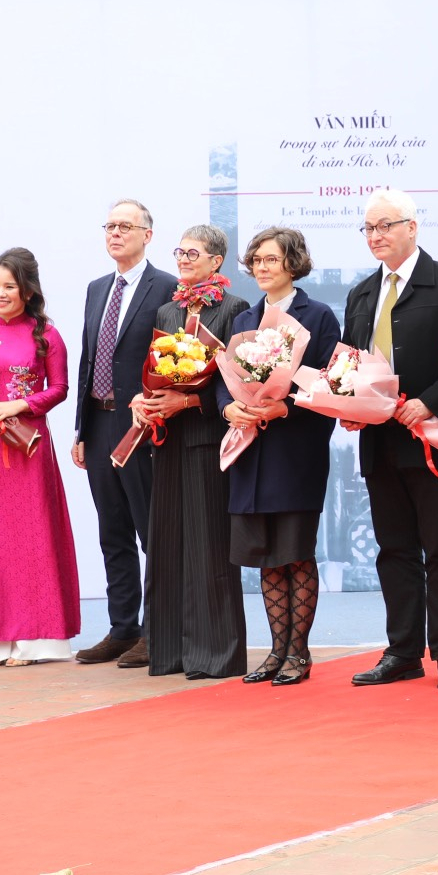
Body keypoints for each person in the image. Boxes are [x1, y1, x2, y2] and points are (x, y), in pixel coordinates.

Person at [341, 189, 438, 688]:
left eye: (386, 226)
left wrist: (435, 400)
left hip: (433, 437)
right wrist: (346, 406)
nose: (376, 236)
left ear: (412, 228)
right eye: (369, 228)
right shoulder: (360, 293)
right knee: (392, 548)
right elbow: (350, 363)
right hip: (380, 440)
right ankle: (402, 651)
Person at [0, 247, 81, 667]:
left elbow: (59, 389)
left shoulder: (46, 334)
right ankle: (0, 638)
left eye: (9, 286)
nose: (0, 293)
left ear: (28, 290)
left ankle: (36, 639)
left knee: (32, 536)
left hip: (26, 445)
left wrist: (19, 405)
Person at [221, 226, 340, 687]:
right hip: (251, 449)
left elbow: (329, 385)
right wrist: (227, 406)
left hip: (295, 451)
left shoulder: (319, 316)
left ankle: (299, 653)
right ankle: (275, 651)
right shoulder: (242, 318)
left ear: (293, 262)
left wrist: (284, 405)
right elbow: (221, 379)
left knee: (294, 552)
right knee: (267, 556)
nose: (262, 268)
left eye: (271, 259)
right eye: (257, 260)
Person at [134, 225, 249, 679]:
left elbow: (233, 381)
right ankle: (171, 651)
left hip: (205, 438)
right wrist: (146, 399)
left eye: (192, 252)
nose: (182, 259)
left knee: (208, 545)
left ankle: (213, 652)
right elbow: (156, 368)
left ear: (215, 261)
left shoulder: (234, 308)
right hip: (169, 441)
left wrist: (190, 400)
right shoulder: (167, 308)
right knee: (167, 542)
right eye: (179, 251)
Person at [71, 199, 178, 669]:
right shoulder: (97, 289)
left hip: (142, 425)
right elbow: (88, 360)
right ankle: (122, 627)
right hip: (99, 423)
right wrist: (80, 427)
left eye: (125, 226)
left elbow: (176, 360)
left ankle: (158, 630)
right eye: (109, 226)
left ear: (147, 235)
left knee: (149, 529)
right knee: (111, 530)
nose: (115, 233)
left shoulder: (169, 288)